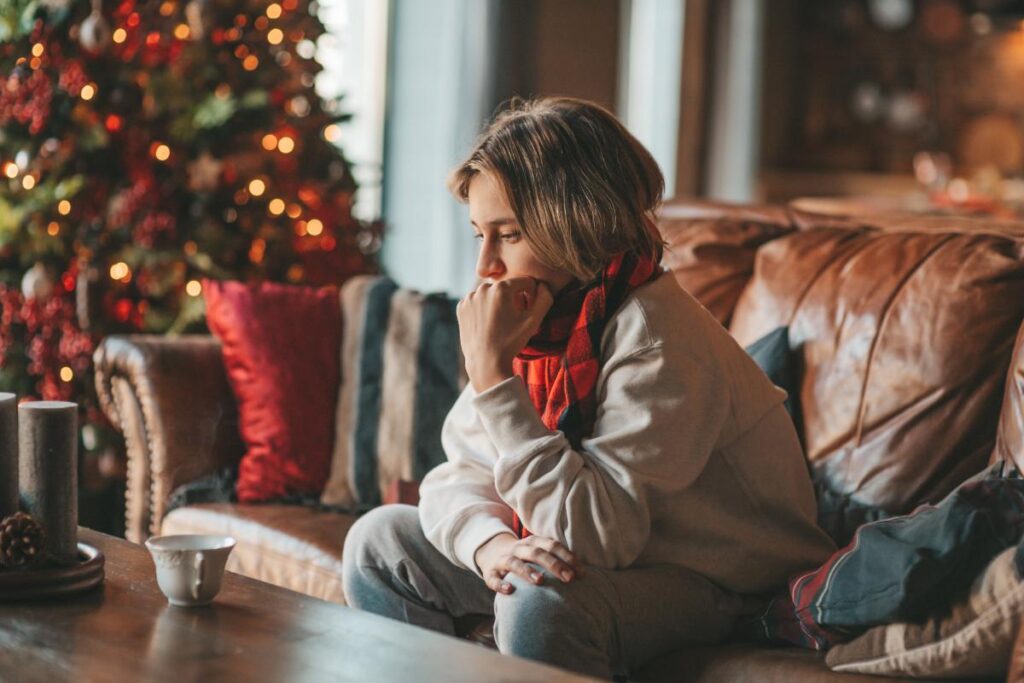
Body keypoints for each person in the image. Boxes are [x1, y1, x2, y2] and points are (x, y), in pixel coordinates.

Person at [341, 97, 835, 681]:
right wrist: (490, 548)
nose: (484, 267)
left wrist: (493, 379)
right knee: (378, 541)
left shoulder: (657, 341)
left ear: (576, 223)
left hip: (720, 582)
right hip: (613, 557)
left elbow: (598, 537)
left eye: (508, 234)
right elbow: (459, 474)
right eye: (479, 233)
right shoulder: (544, 324)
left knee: (541, 600)